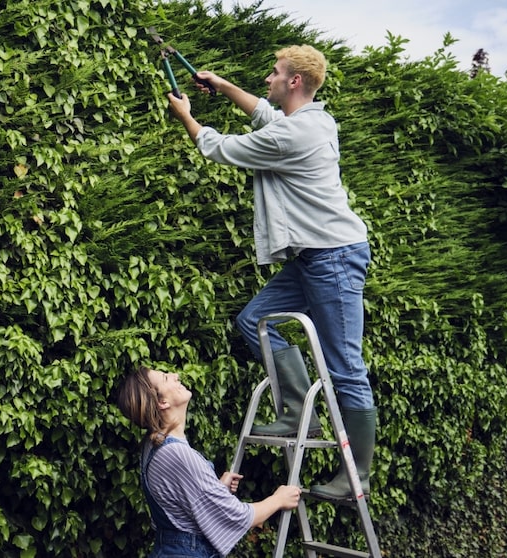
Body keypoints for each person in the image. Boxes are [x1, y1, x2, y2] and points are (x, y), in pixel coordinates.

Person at [165, 45, 376, 500]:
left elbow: (220, 147)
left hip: (334, 255)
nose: (268, 78)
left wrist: (186, 114)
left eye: (275, 72)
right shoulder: (313, 120)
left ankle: (357, 476)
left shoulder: (295, 136)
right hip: (314, 256)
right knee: (255, 321)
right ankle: (301, 409)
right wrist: (220, 86)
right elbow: (264, 114)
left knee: (346, 368)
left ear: (294, 81)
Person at [117, 365, 301, 557]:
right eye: (165, 378)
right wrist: (279, 499)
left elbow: (178, 502)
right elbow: (236, 516)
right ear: (162, 402)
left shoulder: (154, 444)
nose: (175, 375)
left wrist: (215, 488)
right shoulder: (176, 453)